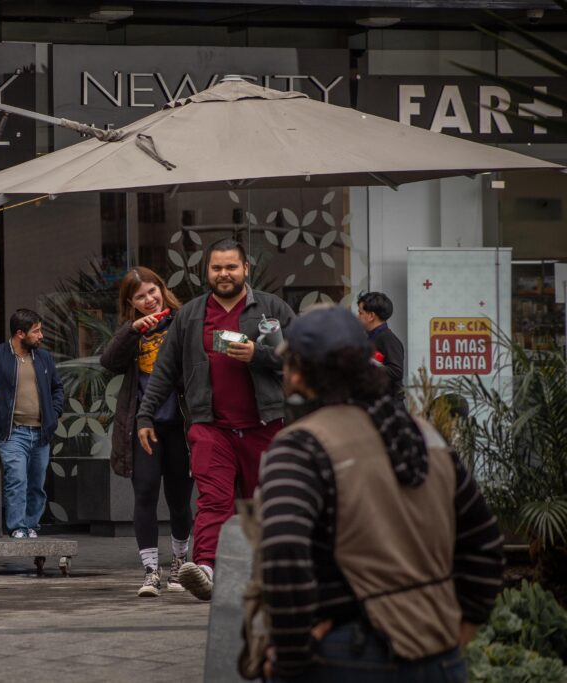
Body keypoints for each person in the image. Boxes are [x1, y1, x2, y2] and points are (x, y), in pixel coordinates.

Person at [257, 305, 503, 681]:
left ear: (300, 371)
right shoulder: (424, 437)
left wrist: (290, 658)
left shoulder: (301, 447)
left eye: (290, 364)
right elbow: (484, 542)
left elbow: (284, 556)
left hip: (346, 654)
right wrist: (461, 629)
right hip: (438, 652)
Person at [136, 239, 294, 601]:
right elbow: (164, 371)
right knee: (213, 499)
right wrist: (146, 414)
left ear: (245, 270)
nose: (224, 274)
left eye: (231, 267)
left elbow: (300, 360)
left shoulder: (272, 308)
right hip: (210, 425)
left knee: (263, 501)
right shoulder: (190, 315)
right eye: (216, 268)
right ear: (206, 271)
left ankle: (263, 570)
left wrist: (259, 354)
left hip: (264, 424)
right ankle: (205, 568)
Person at [100, 267, 193, 597]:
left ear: (162, 289)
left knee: (180, 498)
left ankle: (180, 564)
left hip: (180, 424)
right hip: (143, 427)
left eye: (153, 292)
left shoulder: (183, 320)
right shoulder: (133, 329)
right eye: (140, 297)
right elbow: (108, 361)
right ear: (131, 303)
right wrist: (132, 331)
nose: (149, 300)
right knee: (145, 494)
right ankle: (150, 571)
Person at [0, 309, 64, 539]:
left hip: (41, 432)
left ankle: (31, 526)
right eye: (36, 331)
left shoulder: (44, 358)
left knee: (37, 483)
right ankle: (17, 526)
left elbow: (57, 388)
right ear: (20, 333)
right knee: (17, 479)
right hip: (13, 431)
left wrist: (54, 413)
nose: (41, 335)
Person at [357, 291, 405, 400]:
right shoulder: (370, 337)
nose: (358, 317)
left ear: (371, 316)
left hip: (389, 407)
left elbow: (396, 371)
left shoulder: (388, 338)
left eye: (360, 313)